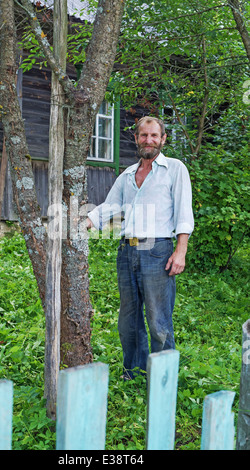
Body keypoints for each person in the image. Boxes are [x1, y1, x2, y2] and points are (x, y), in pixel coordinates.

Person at [87, 116, 194, 379]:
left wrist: (180, 251)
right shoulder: (126, 175)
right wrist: (85, 221)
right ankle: (133, 371)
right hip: (127, 252)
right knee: (128, 320)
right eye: (144, 135)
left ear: (163, 139)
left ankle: (163, 377)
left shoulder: (175, 169)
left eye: (154, 136)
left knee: (158, 320)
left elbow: (183, 212)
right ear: (136, 139)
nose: (149, 140)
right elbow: (110, 207)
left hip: (157, 252)